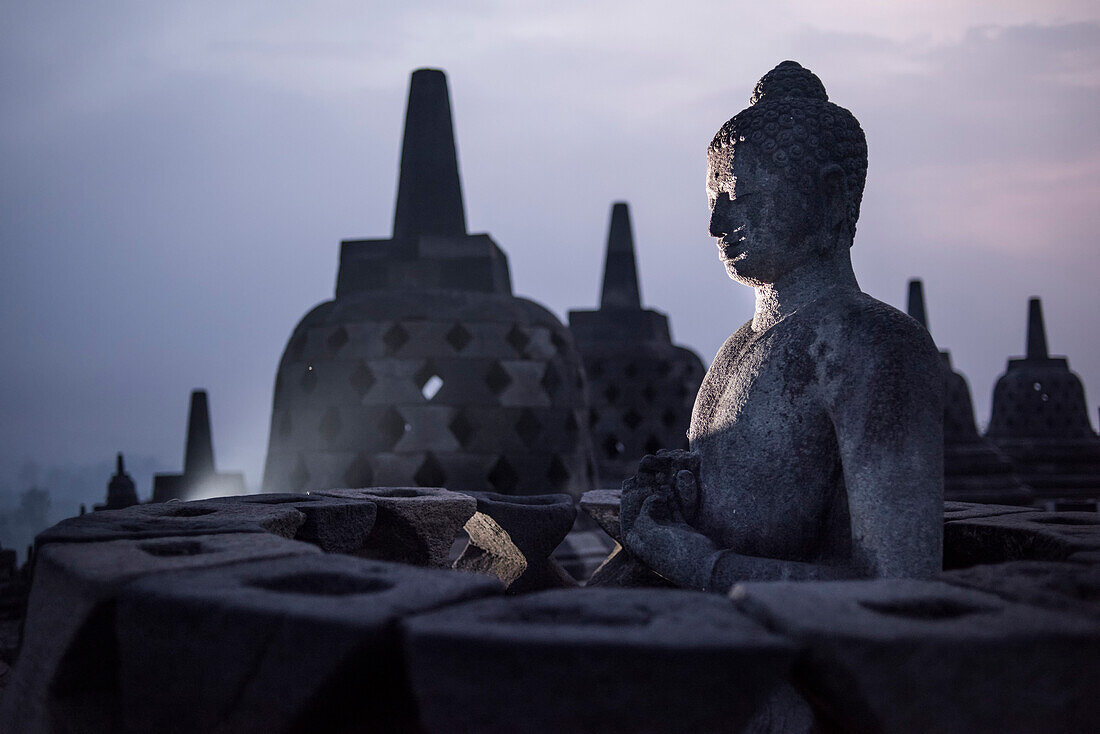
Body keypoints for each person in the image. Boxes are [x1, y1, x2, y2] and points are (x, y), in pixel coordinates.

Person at [620, 61, 943, 592]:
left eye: (739, 198)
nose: (716, 225)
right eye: (713, 202)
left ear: (829, 195)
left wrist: (693, 560)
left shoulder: (871, 344)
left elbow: (900, 588)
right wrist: (672, 506)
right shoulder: (732, 352)